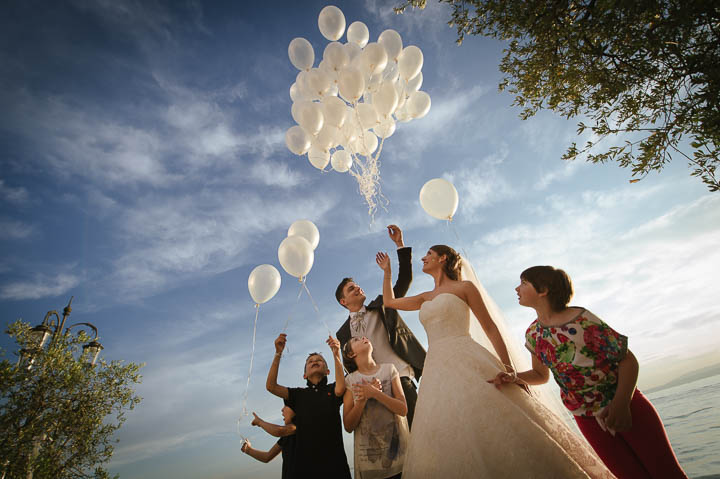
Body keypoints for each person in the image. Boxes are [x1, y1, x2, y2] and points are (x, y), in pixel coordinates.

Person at [377, 245, 614, 478]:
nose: (423, 258)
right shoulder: (425, 297)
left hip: (467, 356)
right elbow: (389, 302)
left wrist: (509, 369)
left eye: (429, 254)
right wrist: (387, 272)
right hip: (436, 368)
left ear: (443, 258)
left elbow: (490, 327)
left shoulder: (465, 287)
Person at [491, 265, 687, 478]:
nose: (517, 288)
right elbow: (541, 375)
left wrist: (621, 405)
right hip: (587, 420)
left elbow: (628, 360)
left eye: (524, 283)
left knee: (667, 473)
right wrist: (515, 377)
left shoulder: (583, 319)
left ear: (543, 290)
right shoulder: (533, 334)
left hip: (627, 405)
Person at [335, 224, 426, 428]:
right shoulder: (342, 333)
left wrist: (400, 245)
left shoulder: (382, 305)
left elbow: (404, 281)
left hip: (401, 377)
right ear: (343, 301)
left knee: (419, 431)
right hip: (368, 390)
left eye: (357, 285)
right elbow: (349, 366)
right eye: (351, 289)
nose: (358, 287)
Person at [265, 333, 351, 479]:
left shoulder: (332, 389)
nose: (314, 361)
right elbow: (271, 386)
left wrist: (336, 354)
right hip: (303, 470)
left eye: (319, 360)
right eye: (310, 361)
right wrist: (278, 353)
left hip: (335, 467)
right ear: (304, 375)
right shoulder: (297, 394)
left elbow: (341, 388)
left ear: (328, 371)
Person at [342, 336, 409, 479]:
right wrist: (361, 401)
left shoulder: (389, 369)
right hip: (370, 467)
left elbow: (403, 409)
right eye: (356, 340)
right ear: (351, 354)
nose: (364, 338)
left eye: (363, 337)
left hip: (400, 460)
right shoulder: (350, 381)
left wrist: (375, 393)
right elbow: (348, 426)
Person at [241, 404, 297, 478]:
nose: (282, 409)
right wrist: (248, 450)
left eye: (286, 405)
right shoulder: (285, 437)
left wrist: (259, 422)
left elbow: (278, 431)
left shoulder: (301, 427)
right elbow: (267, 457)